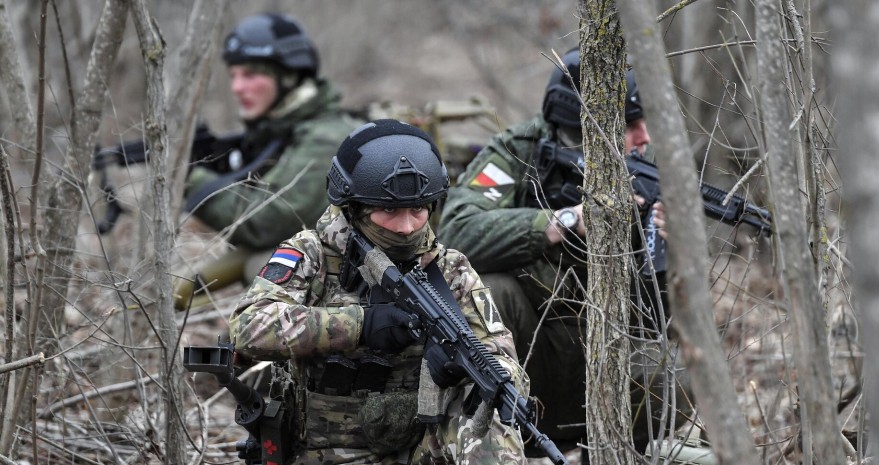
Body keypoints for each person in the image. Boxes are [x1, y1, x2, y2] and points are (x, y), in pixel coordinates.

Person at [436, 48, 693, 458]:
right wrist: (564, 221)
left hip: (601, 357)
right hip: (525, 355)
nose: (644, 138)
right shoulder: (519, 152)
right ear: (582, 126)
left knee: (675, 368)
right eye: (629, 125)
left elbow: (652, 325)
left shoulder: (645, 172)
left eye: (646, 123)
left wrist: (665, 252)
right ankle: (490, 448)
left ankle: (608, 454)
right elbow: (457, 232)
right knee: (491, 292)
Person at [229, 119, 529, 464]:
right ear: (354, 208)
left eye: (417, 209)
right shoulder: (311, 255)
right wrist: (360, 325)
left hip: (419, 448)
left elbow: (502, 356)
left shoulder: (449, 269)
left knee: (490, 411)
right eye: (388, 210)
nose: (406, 227)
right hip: (323, 452)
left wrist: (460, 368)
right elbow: (247, 327)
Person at [174, 12, 363, 310]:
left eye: (250, 74)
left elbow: (266, 223)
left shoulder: (325, 137)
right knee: (188, 286)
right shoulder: (282, 128)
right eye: (233, 75)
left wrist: (189, 178)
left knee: (263, 265)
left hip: (363, 277)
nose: (237, 87)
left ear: (288, 77)